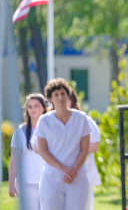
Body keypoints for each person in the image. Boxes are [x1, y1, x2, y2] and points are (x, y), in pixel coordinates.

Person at [34, 78, 91, 210]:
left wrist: (73, 171)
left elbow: (85, 148)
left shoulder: (81, 118)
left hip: (78, 177)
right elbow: (42, 149)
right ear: (50, 98)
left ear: (68, 95)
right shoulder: (44, 121)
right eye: (56, 94)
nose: (60, 97)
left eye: (63, 93)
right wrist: (63, 169)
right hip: (51, 178)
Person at [8, 93, 47, 210]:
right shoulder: (20, 132)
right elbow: (14, 159)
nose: (33, 109)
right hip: (26, 183)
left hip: (48, 182)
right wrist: (10, 184)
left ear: (43, 108)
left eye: (36, 106)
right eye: (30, 107)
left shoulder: (51, 129)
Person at [67, 88, 101, 210]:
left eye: (66, 99)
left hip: (84, 172)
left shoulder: (84, 120)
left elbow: (93, 146)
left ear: (72, 101)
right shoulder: (49, 120)